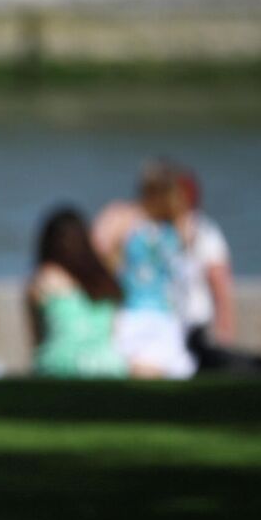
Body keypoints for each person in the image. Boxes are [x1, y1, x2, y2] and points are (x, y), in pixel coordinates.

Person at [170, 169, 261, 378]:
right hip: (168, 328)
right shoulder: (156, 231)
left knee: (227, 363)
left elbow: (221, 288)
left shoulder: (205, 233)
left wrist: (224, 333)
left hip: (194, 333)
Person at [92, 161, 198, 380]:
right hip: (138, 312)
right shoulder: (176, 224)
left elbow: (98, 248)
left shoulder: (125, 217)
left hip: (152, 314)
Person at [27, 204, 139, 378]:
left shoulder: (45, 279)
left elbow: (37, 339)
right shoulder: (104, 279)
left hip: (60, 366)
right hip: (109, 367)